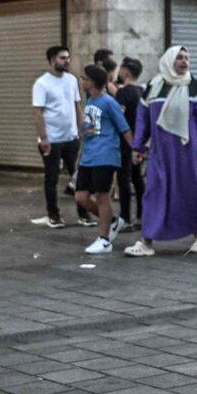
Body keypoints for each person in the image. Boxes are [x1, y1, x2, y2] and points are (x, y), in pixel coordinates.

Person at [126, 46, 197, 256]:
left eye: (187, 58)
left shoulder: (194, 87)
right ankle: (146, 242)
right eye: (179, 57)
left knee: (193, 191)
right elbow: (143, 118)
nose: (184, 61)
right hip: (160, 152)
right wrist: (138, 146)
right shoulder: (154, 86)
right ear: (169, 60)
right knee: (154, 192)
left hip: (190, 152)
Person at [76, 64, 130, 255]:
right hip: (89, 156)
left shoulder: (109, 102)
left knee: (101, 195)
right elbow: (88, 130)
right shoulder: (90, 101)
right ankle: (113, 220)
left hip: (105, 154)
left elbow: (124, 128)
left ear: (91, 81)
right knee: (80, 196)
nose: (81, 81)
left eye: (83, 78)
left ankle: (105, 239)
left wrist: (136, 151)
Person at [31, 46, 82, 227]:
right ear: (52, 60)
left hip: (71, 137)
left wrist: (80, 131)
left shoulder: (71, 80)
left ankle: (83, 214)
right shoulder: (42, 83)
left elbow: (77, 106)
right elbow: (37, 112)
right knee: (51, 178)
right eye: (62, 58)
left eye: (68, 57)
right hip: (52, 139)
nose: (67, 61)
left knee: (78, 177)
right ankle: (53, 215)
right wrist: (44, 138)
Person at [115, 57, 146, 228]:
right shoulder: (142, 91)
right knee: (138, 179)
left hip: (125, 143)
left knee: (124, 180)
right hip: (139, 142)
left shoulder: (123, 92)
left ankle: (125, 218)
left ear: (126, 71)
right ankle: (142, 216)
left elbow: (119, 117)